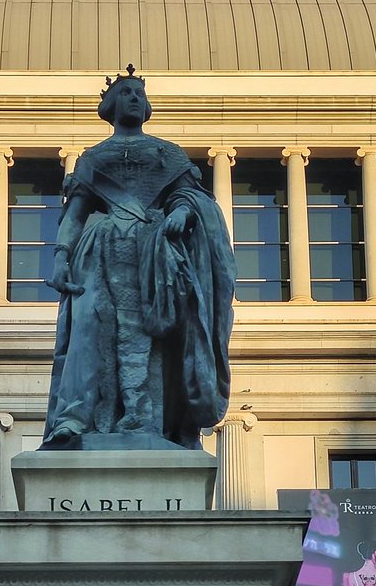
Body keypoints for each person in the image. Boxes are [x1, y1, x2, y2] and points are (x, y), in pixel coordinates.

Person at [42, 66, 236, 450]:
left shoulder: (168, 153)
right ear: (110, 104)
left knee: (150, 335)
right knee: (89, 329)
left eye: (139, 93)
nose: (133, 98)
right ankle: (75, 420)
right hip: (99, 251)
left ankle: (145, 418)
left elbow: (192, 197)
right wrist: (60, 257)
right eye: (126, 92)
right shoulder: (93, 158)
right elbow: (76, 214)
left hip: (154, 252)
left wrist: (183, 210)